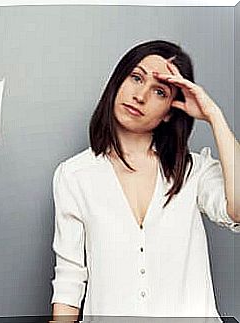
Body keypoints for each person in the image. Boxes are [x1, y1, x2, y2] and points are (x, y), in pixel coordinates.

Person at [51, 40, 240, 320]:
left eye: (159, 91)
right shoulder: (74, 175)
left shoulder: (191, 171)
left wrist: (214, 116)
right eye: (136, 77)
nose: (140, 96)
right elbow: (69, 278)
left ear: (170, 112)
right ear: (118, 80)